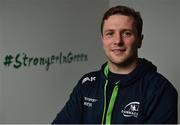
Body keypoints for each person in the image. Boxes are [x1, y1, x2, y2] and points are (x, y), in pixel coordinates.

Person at [52, 5, 178, 124]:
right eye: (110, 33)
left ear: (140, 40)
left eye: (126, 33)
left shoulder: (160, 90)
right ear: (103, 40)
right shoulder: (87, 84)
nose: (118, 41)